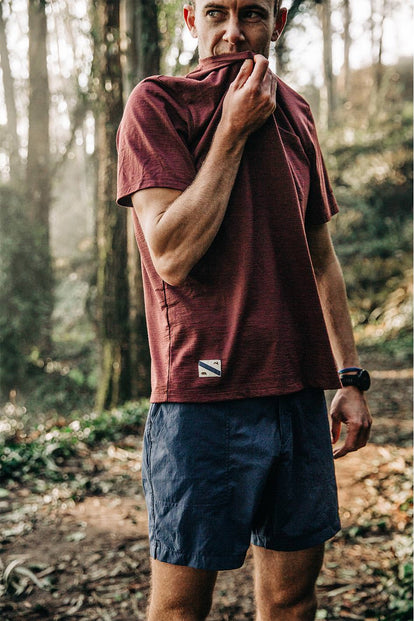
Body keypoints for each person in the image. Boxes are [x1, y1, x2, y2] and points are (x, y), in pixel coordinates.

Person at [116, 0, 372, 618]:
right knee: (180, 609)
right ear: (189, 21)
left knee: (290, 599)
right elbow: (171, 253)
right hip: (201, 401)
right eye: (216, 13)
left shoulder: (298, 112)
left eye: (252, 14)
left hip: (296, 397)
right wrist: (231, 129)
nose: (234, 31)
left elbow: (320, 257)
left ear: (277, 22)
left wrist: (350, 376)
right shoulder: (158, 104)